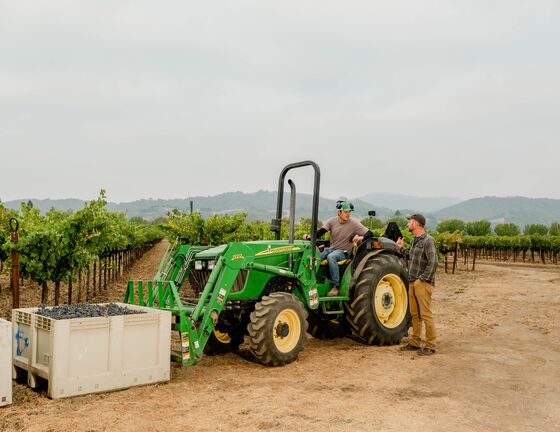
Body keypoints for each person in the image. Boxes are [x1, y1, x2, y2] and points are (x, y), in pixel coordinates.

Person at [304, 201, 373, 297]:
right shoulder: (332, 221)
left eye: (349, 212)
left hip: (344, 252)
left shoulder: (354, 224)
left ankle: (335, 286)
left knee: (331, 257)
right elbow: (320, 232)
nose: (348, 214)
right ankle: (311, 281)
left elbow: (370, 234)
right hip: (332, 249)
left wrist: (361, 238)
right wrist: (310, 237)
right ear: (339, 212)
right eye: (346, 212)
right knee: (315, 255)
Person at [396, 214, 438, 356]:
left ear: (416, 223)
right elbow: (410, 257)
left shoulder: (428, 240)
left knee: (425, 314)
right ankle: (415, 342)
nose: (408, 224)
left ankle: (430, 345)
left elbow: (433, 263)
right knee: (414, 314)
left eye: (409, 221)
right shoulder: (415, 241)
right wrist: (401, 249)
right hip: (412, 282)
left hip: (422, 283)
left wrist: (422, 279)